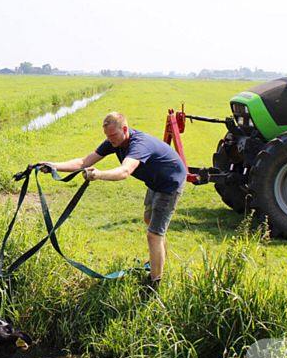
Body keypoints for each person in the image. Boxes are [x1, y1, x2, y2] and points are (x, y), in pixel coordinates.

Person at [39, 111, 186, 293]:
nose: (109, 139)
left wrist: (99, 174)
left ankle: (154, 285)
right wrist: (53, 166)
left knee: (154, 235)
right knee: (150, 222)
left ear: (124, 129)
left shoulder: (138, 145)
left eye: (113, 135)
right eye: (107, 136)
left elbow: (125, 171)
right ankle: (157, 261)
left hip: (170, 182)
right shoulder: (114, 141)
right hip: (155, 181)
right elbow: (83, 162)